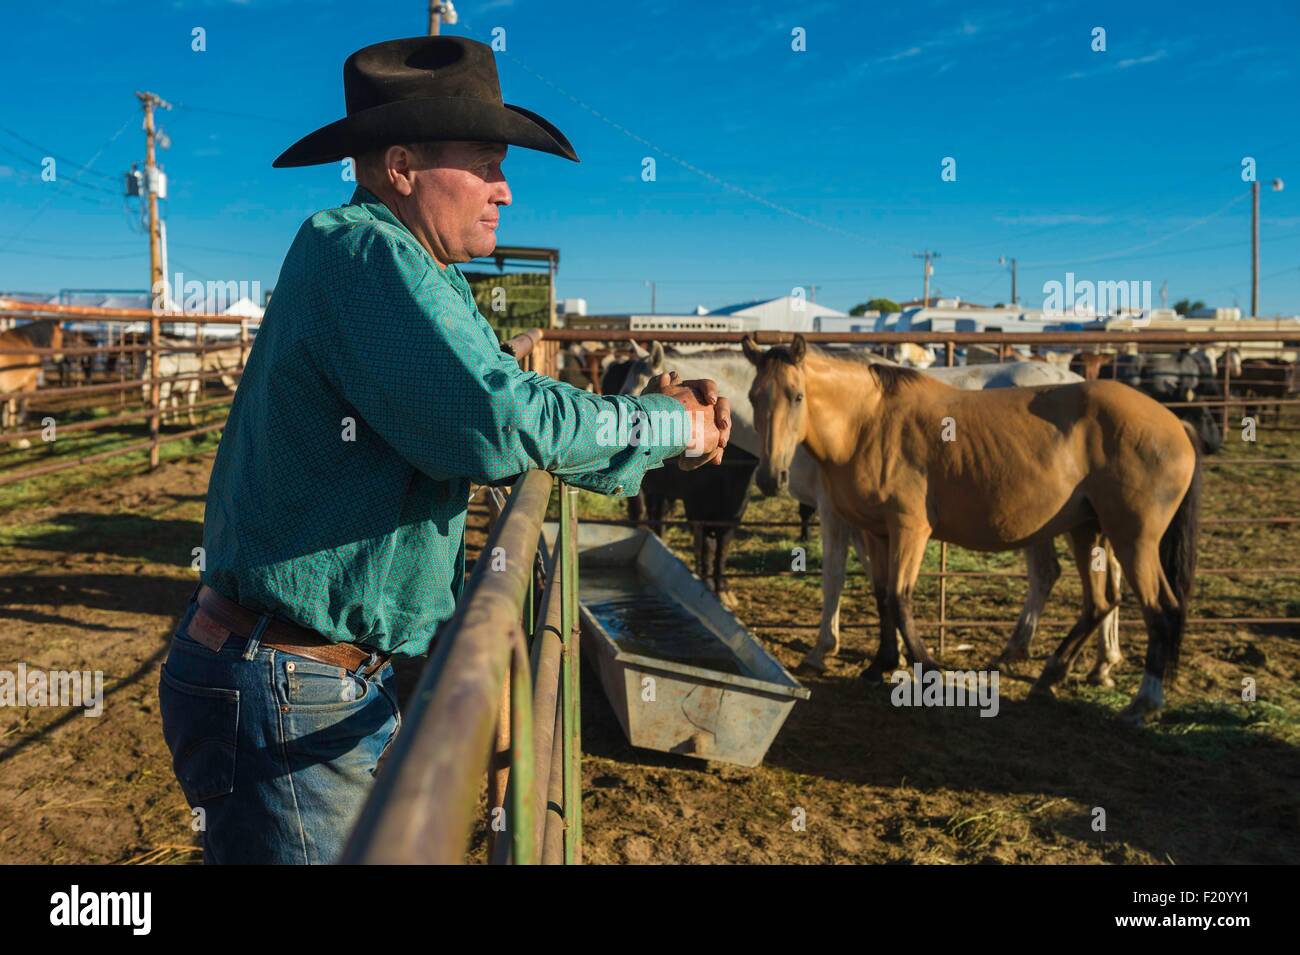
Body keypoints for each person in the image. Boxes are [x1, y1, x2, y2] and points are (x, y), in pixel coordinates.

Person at [158, 35, 731, 864]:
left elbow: (509, 407)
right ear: (400, 165)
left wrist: (650, 426)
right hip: (290, 685)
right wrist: (668, 425)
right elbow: (498, 422)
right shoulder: (363, 255)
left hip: (306, 675)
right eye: (489, 164)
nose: (505, 189)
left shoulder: (417, 272)